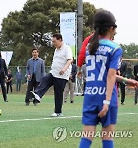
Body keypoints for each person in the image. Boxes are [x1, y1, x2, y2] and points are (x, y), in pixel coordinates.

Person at [78, 10, 138, 148]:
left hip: (90, 96)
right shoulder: (115, 48)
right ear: (111, 28)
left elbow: (104, 74)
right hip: (107, 96)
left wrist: (125, 80)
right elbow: (110, 75)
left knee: (87, 136)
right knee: (107, 137)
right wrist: (106, 101)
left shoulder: (89, 47)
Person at [32, 33, 73, 117]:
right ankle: (38, 95)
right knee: (45, 79)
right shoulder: (56, 49)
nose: (53, 43)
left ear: (60, 40)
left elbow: (70, 60)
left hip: (62, 75)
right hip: (54, 72)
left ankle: (58, 112)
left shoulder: (67, 48)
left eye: (54, 41)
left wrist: (64, 69)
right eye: (52, 41)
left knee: (58, 93)